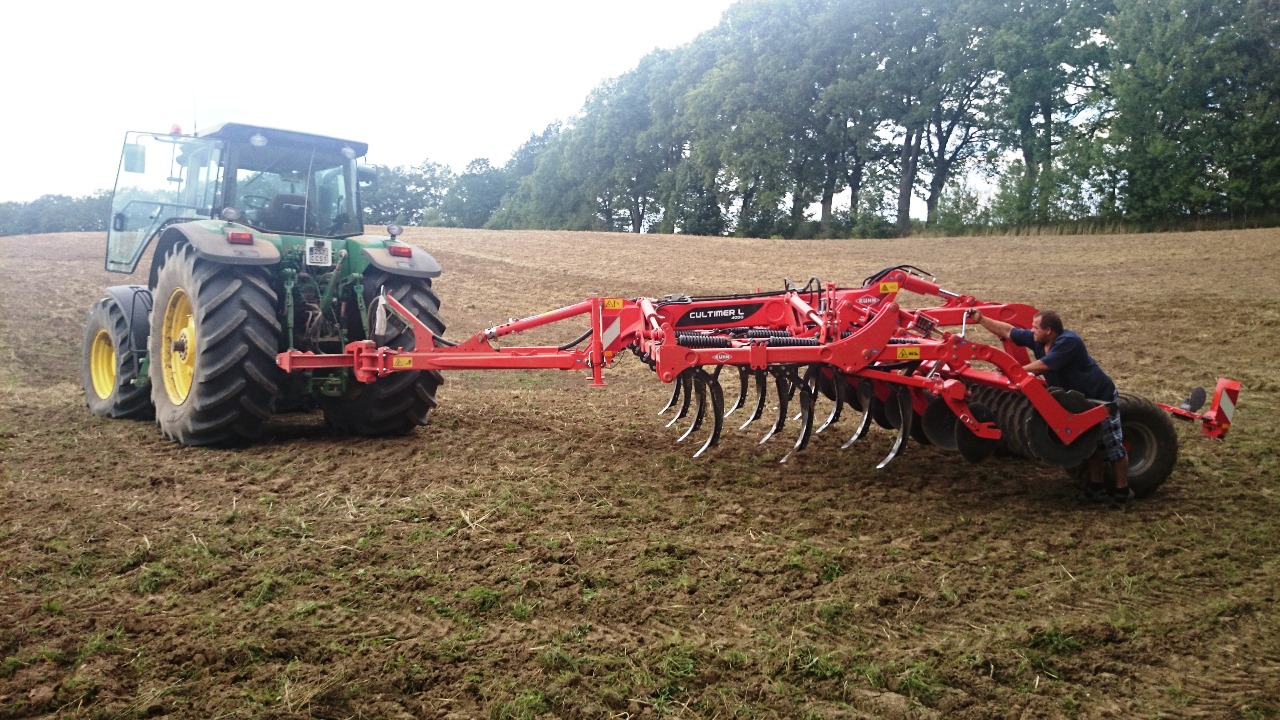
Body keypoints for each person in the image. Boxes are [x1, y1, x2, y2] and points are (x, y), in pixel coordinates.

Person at [966, 308, 1132, 508]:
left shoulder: (1069, 342)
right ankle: (1097, 488)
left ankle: (1122, 492)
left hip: (1099, 397)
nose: (1031, 331)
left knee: (1112, 446)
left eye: (1035, 327)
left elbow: (1044, 366)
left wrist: (1012, 370)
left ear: (1049, 331)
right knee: (1090, 444)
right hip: (1076, 399)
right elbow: (1008, 331)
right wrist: (981, 319)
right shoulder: (1039, 339)